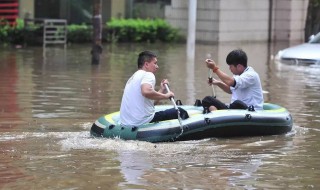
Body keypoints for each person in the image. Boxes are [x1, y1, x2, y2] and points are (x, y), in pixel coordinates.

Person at [120, 50, 188, 126]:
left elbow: (150, 102)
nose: (157, 66)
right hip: (142, 121)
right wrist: (166, 96)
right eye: (155, 63)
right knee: (181, 111)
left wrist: (162, 90)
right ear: (146, 64)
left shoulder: (132, 78)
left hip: (127, 123)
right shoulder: (148, 74)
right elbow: (146, 92)